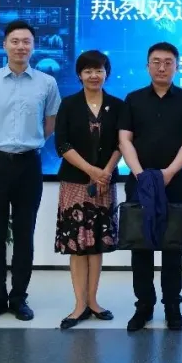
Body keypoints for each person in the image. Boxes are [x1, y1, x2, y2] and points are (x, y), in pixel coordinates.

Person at [0, 20, 61, 323]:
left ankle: (19, 298)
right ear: (5, 45)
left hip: (28, 164)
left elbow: (49, 124)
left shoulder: (46, 83)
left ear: (33, 46)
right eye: (15, 41)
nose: (20, 46)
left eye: (26, 41)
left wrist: (26, 143)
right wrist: (1, 143)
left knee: (25, 233)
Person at [118, 42, 182, 332]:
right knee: (140, 245)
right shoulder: (133, 99)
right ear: (147, 66)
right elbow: (124, 139)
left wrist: (169, 172)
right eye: (156, 62)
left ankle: (172, 306)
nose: (162, 67)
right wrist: (140, 174)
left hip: (174, 181)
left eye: (168, 62)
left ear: (176, 67)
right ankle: (143, 306)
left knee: (172, 245)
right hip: (139, 181)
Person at [53, 50, 123, 330]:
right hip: (75, 183)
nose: (94, 75)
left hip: (105, 183)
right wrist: (92, 171)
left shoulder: (117, 106)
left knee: (96, 246)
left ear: (107, 73)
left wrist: (105, 171)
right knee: (78, 245)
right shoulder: (69, 104)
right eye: (88, 71)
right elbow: (62, 145)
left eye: (99, 70)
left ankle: (93, 301)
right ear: (79, 75)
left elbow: (122, 143)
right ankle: (79, 304)